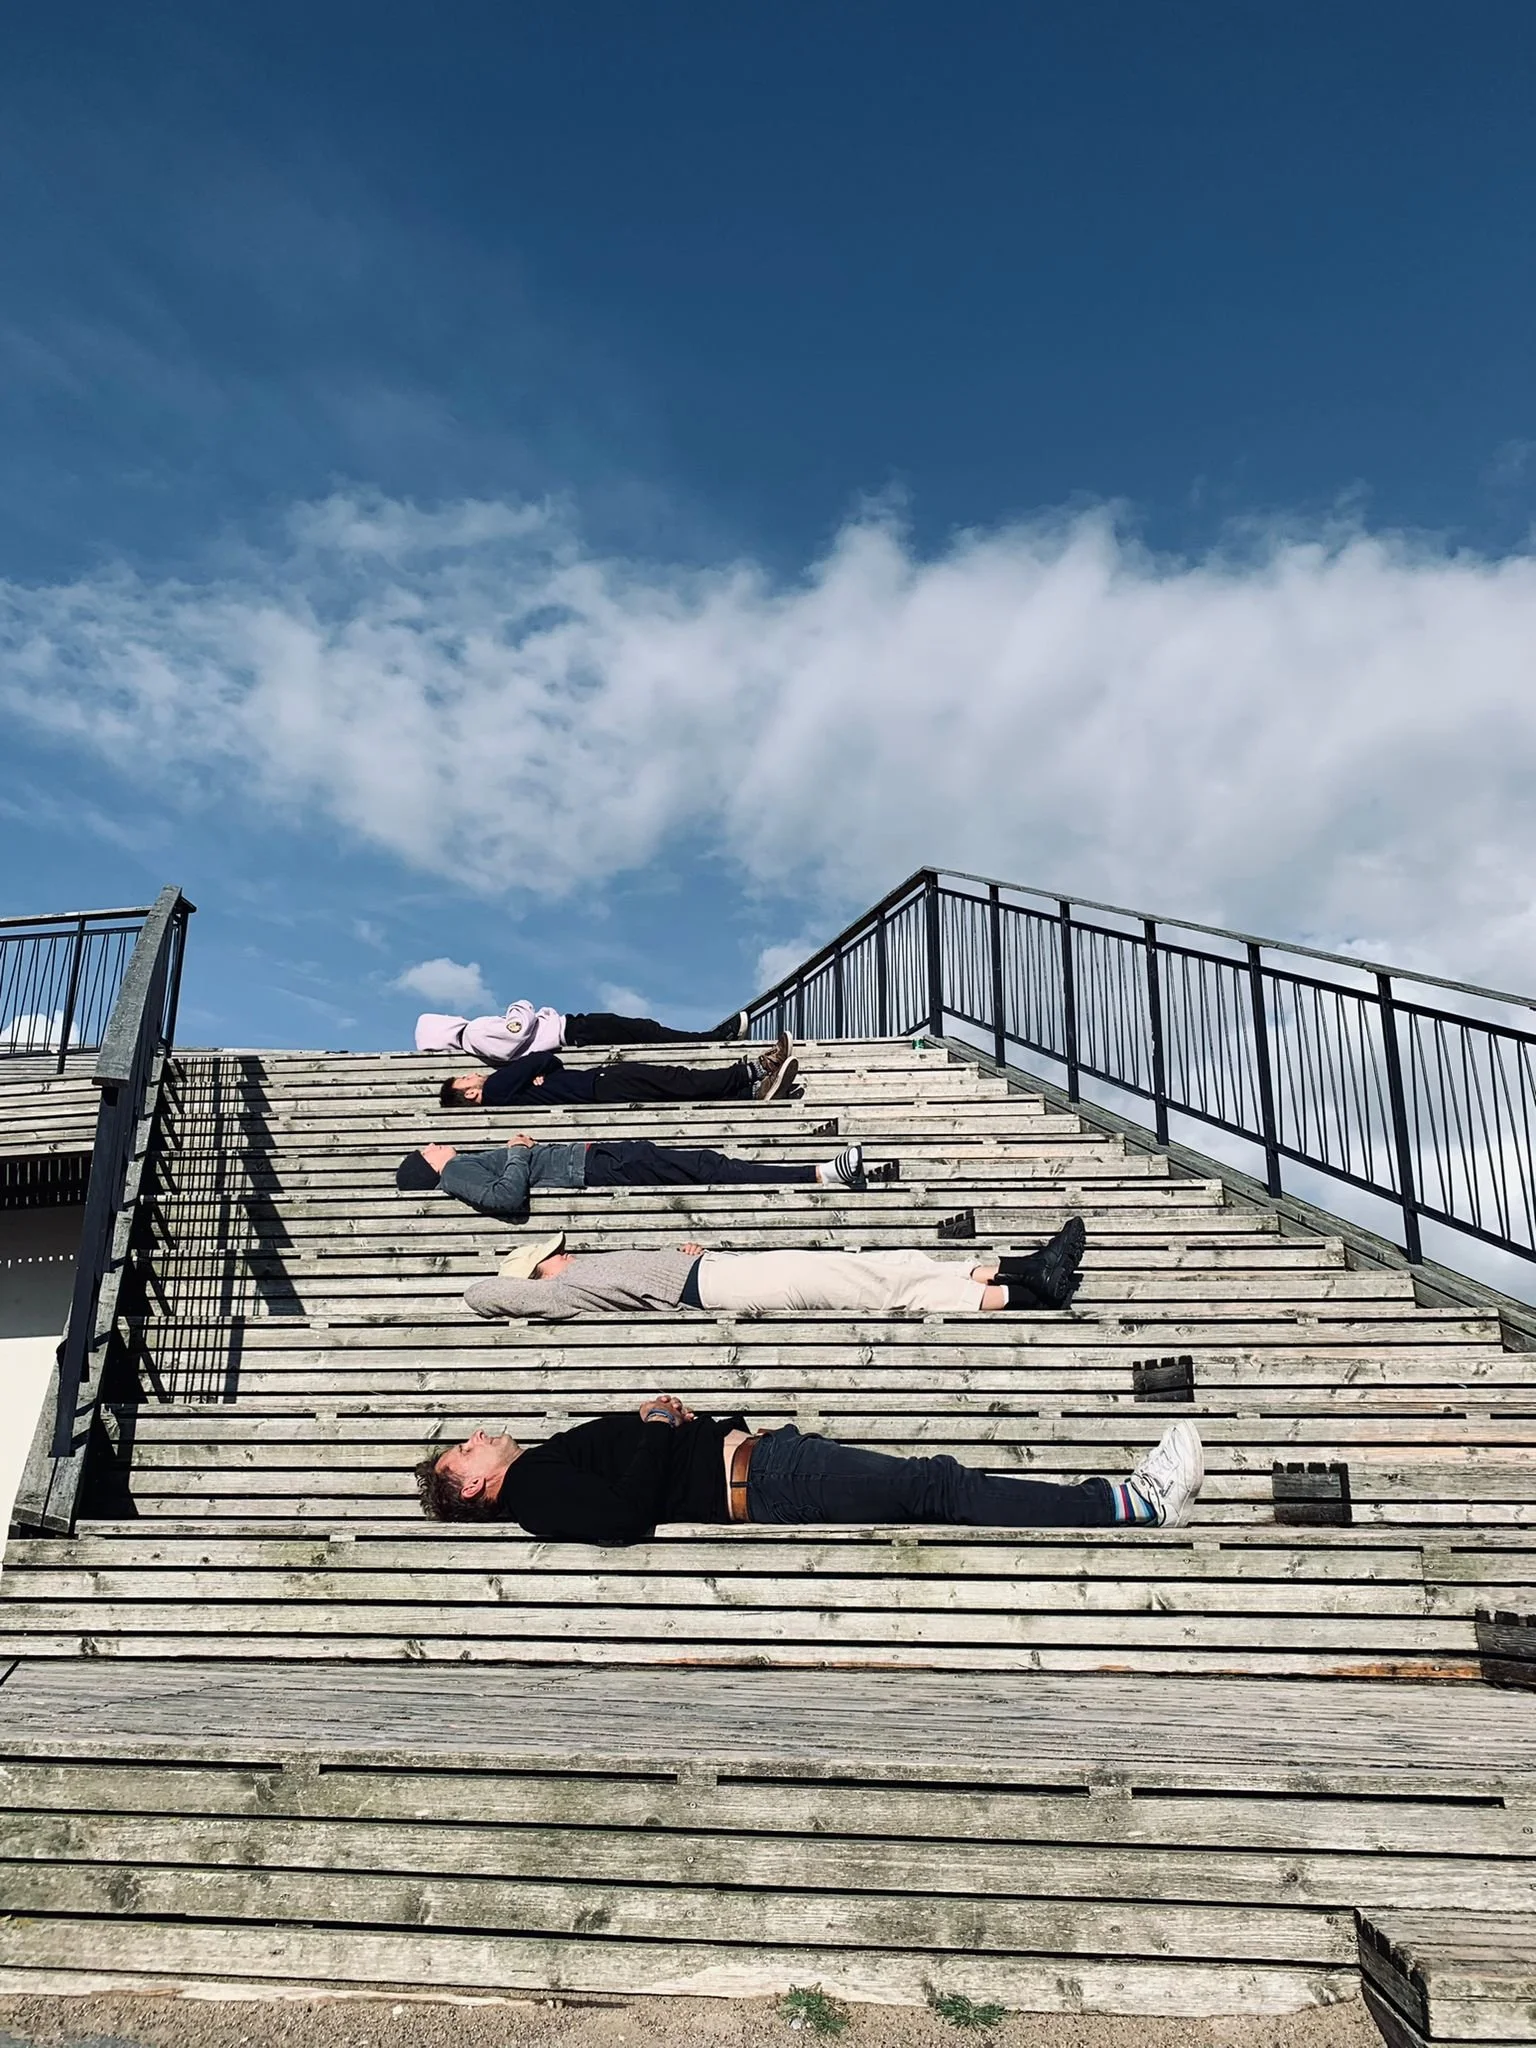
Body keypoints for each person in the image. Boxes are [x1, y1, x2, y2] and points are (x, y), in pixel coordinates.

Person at [414, 1399, 1205, 1542]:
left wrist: (709, 1425)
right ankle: (1132, 1504)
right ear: (474, 1484)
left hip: (768, 1465)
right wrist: (657, 1427)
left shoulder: (542, 1470)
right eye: (466, 1448)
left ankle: (1124, 1501)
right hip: (769, 1485)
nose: (479, 1436)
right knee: (939, 1485)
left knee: (936, 1484)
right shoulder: (536, 1492)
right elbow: (623, 1517)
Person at [459, 1218, 1087, 1320]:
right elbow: (480, 1295)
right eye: (554, 1253)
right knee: (871, 1290)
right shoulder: (564, 1289)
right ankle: (1027, 1296)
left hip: (723, 1269)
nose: (566, 1252)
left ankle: (1023, 1270)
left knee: (886, 1263)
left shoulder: (583, 1272)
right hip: (723, 1287)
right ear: (543, 1269)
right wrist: (525, 1279)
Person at [396, 1135, 896, 1218]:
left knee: (705, 1164)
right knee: (705, 1166)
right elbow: (506, 1199)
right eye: (429, 1149)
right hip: (593, 1166)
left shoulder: (458, 1167)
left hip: (595, 1159)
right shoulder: (456, 1169)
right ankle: (822, 1174)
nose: (437, 1144)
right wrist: (518, 1151)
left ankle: (821, 1171)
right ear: (429, 1164)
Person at [439, 1031, 798, 1110]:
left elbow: (546, 1063)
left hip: (599, 1090)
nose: (474, 1074)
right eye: (467, 1078)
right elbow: (542, 1057)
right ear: (470, 1093)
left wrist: (542, 1070)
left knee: (677, 1087)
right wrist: (536, 1068)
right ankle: (756, 1069)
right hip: (599, 1084)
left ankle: (753, 1092)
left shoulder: (505, 1091)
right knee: (677, 1079)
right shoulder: (500, 1087)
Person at [415, 1002, 748, 1063]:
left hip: (570, 1033)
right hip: (570, 1029)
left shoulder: (472, 1041)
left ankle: (706, 1038)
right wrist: (522, 1005)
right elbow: (515, 1030)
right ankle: (708, 1039)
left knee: (642, 1031)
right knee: (643, 1029)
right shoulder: (473, 1033)